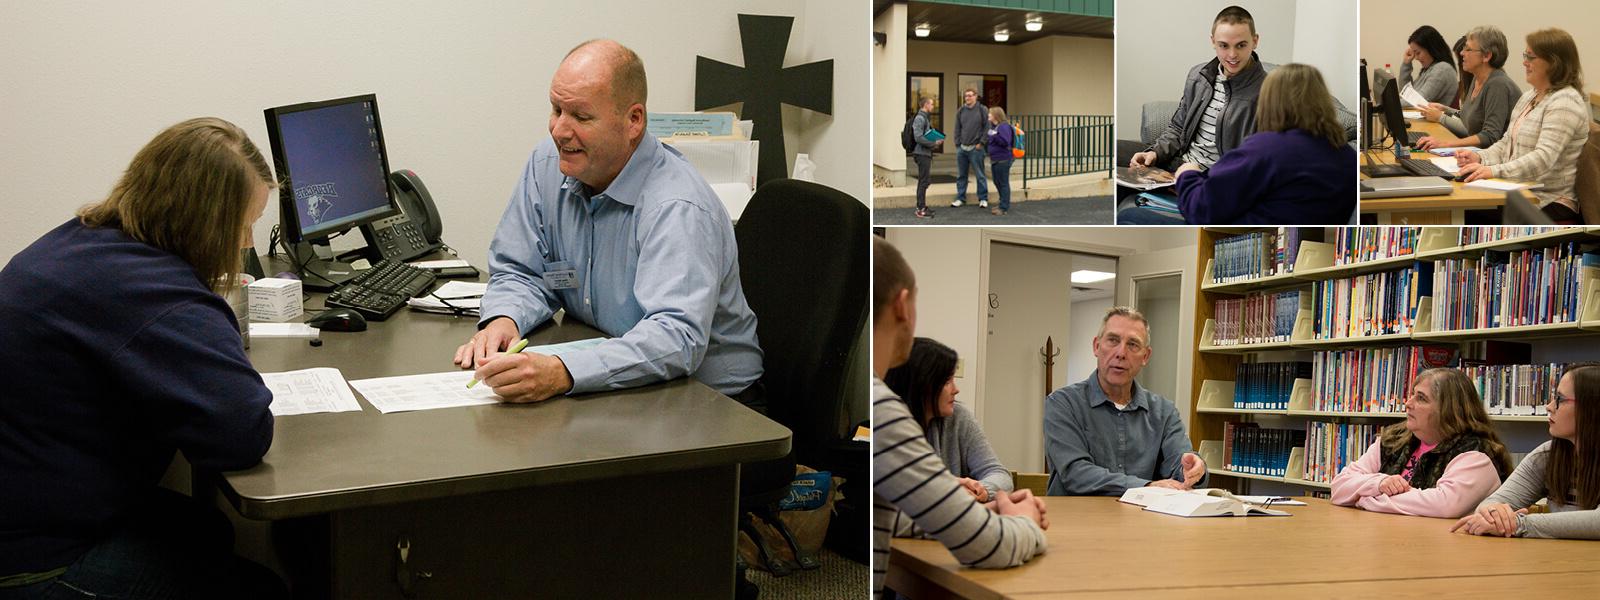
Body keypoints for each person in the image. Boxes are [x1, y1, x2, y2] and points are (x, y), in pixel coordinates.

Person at [0, 118, 281, 597]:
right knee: (262, 589)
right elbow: (242, 433)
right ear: (206, 221)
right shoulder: (152, 292)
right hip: (33, 560)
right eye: (244, 225)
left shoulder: (84, 239)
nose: (246, 245)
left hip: (32, 505)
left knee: (207, 530)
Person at [455, 39, 763, 405]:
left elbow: (675, 338)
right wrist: (505, 319)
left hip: (713, 404)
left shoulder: (677, 205)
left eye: (581, 117)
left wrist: (561, 370)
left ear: (633, 121)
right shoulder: (547, 165)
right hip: (621, 379)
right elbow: (522, 271)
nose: (559, 131)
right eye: (556, 109)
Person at [872, 237, 1046, 599]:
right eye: (948, 380)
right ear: (903, 306)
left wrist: (966, 498)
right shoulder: (886, 415)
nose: (956, 389)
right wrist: (1023, 520)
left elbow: (904, 517)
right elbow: (989, 547)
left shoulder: (883, 407)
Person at [1118, 64, 1355, 225]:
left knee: (1130, 216)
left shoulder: (1266, 148)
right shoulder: (1346, 155)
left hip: (1239, 235)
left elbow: (1203, 210)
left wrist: (1187, 175)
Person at [1044, 306, 1207, 496]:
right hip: (1077, 522)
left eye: (1133, 345)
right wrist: (1145, 487)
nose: (1121, 353)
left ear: (1145, 356)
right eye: (1113, 340)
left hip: (1142, 522)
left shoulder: (1164, 412)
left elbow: (1179, 466)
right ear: (1096, 346)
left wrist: (1194, 469)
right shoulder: (1063, 404)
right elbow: (1075, 474)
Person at [1330, 368, 1512, 518]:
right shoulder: (1393, 439)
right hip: (1388, 541)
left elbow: (1443, 505)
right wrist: (1379, 483)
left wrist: (1364, 499)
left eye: (1421, 398)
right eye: (1412, 395)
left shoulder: (1476, 452)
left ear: (1449, 410)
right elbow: (1339, 487)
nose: (1408, 404)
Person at [1456, 28, 1590, 222]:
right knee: (1464, 205)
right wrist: (1479, 157)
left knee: (1466, 213)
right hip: (1520, 189)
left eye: (1531, 57)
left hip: (1549, 200)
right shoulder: (1530, 96)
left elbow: (1542, 159)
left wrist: (1493, 171)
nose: (1524, 62)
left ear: (1554, 62)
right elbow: (1505, 143)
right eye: (1525, 55)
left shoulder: (1565, 103)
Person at [1454, 364, 1600, 539]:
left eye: (1560, 399)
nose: (1549, 406)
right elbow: (1491, 504)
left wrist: (1520, 524)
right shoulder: (1548, 455)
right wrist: (1496, 514)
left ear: (1592, 408)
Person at [1129, 6, 1267, 174]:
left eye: (1241, 45)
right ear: (1213, 42)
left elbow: (1260, 157)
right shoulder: (1198, 76)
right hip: (1181, 164)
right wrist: (1154, 153)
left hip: (1219, 179)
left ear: (1255, 41)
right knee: (1123, 159)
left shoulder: (1268, 91)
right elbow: (1179, 128)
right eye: (1223, 45)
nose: (1232, 55)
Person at [884, 338, 1013, 503]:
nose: (956, 390)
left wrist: (981, 490)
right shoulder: (888, 426)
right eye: (947, 381)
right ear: (922, 385)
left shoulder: (959, 417)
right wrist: (947, 488)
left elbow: (1000, 475)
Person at [1418, 26, 1523, 152]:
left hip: (1495, 160)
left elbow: (1490, 137)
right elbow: (1472, 118)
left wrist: (1446, 144)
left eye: (1468, 49)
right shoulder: (1477, 78)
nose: (1462, 53)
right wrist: (1446, 110)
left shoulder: (1497, 85)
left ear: (1486, 56)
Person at [1400, 25, 1460, 105]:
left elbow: (1418, 101)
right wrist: (1406, 63)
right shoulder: (1429, 69)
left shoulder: (1442, 70)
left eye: (1418, 53)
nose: (1416, 58)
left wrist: (1388, 106)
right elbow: (1405, 94)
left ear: (1431, 49)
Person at [951, 88, 989, 209]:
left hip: (976, 148)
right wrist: (957, 144)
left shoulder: (982, 109)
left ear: (976, 96)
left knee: (980, 175)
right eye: (966, 96)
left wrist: (981, 143)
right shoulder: (961, 110)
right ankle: (960, 198)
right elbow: (957, 128)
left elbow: (987, 128)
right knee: (961, 175)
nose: (967, 98)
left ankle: (983, 198)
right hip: (962, 148)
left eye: (970, 96)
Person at [909, 97, 943, 218]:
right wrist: (934, 143)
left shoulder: (924, 118)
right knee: (923, 181)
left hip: (925, 153)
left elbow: (923, 135)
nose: (933, 106)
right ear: (926, 105)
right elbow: (918, 137)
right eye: (932, 104)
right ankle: (920, 209)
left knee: (925, 180)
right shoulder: (920, 118)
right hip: (922, 154)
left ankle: (922, 206)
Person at [986, 106, 1017, 216]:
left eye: (990, 113)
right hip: (996, 159)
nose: (988, 115)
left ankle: (1004, 207)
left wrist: (994, 135)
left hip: (1003, 159)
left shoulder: (1003, 126)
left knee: (1003, 183)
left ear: (996, 115)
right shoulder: (995, 126)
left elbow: (1005, 142)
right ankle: (1001, 203)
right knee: (997, 182)